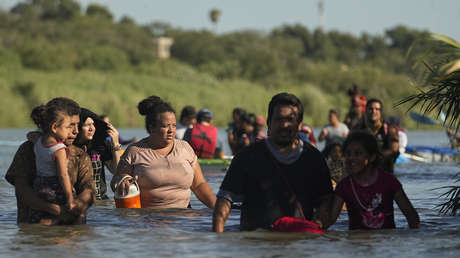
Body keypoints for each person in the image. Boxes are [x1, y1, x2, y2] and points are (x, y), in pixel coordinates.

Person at [212, 93, 333, 232]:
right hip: (255, 244)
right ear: (269, 123)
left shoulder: (313, 158)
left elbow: (327, 200)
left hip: (300, 244)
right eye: (279, 119)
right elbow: (225, 199)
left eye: (290, 119)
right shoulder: (247, 157)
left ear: (299, 125)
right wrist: (218, 237)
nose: (284, 125)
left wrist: (316, 227)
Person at [110, 96, 216, 209]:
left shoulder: (185, 148)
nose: (171, 130)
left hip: (184, 220)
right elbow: (115, 183)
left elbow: (199, 185)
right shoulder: (135, 151)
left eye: (174, 125)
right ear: (152, 128)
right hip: (148, 220)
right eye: (165, 126)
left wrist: (217, 207)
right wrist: (123, 180)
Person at [5, 97, 95, 225]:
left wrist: (75, 207)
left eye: (77, 125)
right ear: (55, 126)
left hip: (70, 230)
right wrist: (57, 211)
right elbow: (21, 190)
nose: (76, 131)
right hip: (33, 227)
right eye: (71, 125)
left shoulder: (80, 155)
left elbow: (89, 191)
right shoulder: (28, 149)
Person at [326, 131, 420, 230]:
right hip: (355, 243)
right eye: (348, 154)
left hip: (386, 243)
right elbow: (330, 220)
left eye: (358, 154)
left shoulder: (389, 181)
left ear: (372, 157)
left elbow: (412, 217)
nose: (351, 158)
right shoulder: (344, 186)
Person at [28, 99, 78, 224]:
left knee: (38, 216)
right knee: (69, 217)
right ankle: (52, 223)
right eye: (67, 127)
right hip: (54, 188)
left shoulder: (38, 141)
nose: (70, 131)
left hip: (38, 186)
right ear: (55, 127)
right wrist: (70, 198)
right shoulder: (59, 149)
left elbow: (30, 135)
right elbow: (63, 175)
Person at [74, 108, 122, 200]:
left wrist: (116, 144)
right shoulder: (69, 148)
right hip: (78, 201)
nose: (92, 128)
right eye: (87, 125)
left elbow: (117, 171)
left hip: (100, 201)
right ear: (78, 127)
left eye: (93, 125)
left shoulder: (99, 145)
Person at [357, 98, 399, 173]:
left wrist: (375, 157)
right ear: (365, 111)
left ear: (381, 112)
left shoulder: (390, 129)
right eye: (371, 109)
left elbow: (394, 150)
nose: (374, 111)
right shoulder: (358, 129)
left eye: (377, 109)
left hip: (385, 172)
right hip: (363, 173)